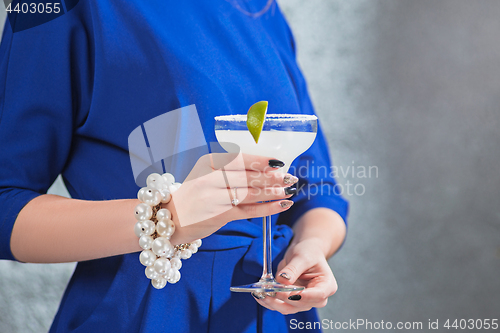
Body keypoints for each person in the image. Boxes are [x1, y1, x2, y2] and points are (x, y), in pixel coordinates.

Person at [0, 1, 348, 332]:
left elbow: (315, 189)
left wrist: (311, 246)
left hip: (277, 315)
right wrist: (164, 218)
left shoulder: (262, 7)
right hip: (148, 312)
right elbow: (5, 203)